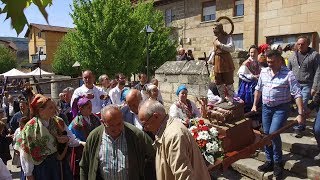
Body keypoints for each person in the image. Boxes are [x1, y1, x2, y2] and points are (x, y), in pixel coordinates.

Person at [251, 50, 305, 179]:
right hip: (266, 108)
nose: (269, 64)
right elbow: (258, 89)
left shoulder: (288, 74)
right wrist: (254, 105)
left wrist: (300, 113)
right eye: (268, 62)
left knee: (273, 133)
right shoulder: (264, 72)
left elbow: (297, 94)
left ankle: (277, 163)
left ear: (280, 61)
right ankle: (269, 161)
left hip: (281, 108)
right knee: (265, 133)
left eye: (272, 62)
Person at [138, 100, 211, 180]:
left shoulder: (173, 136)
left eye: (145, 124)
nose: (145, 129)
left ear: (156, 116)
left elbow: (184, 176)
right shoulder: (166, 130)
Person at [79, 105, 155, 180]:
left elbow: (153, 155)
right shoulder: (94, 137)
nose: (116, 128)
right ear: (103, 122)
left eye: (119, 124)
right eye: (111, 126)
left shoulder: (136, 135)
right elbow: (84, 165)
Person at [19, 94, 84, 180]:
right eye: (50, 107)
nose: (55, 109)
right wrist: (29, 174)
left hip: (58, 164)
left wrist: (69, 140)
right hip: (40, 169)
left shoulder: (58, 121)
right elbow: (25, 153)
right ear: (40, 110)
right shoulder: (30, 127)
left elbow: (71, 137)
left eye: (54, 106)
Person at [287, 36, 320, 137]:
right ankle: (301, 123)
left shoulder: (314, 55)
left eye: (302, 44)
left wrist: (315, 86)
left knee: (303, 104)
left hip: (307, 84)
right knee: (297, 105)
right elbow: (288, 71)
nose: (300, 46)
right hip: (294, 84)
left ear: (307, 44)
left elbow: (318, 72)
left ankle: (300, 126)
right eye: (298, 44)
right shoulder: (292, 55)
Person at [69, 97, 100, 180]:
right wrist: (81, 142)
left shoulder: (95, 118)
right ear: (81, 108)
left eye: (91, 106)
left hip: (95, 149)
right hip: (81, 152)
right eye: (88, 107)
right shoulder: (76, 123)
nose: (91, 109)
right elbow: (70, 138)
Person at [207, 22, 235, 105]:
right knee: (218, 81)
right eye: (213, 28)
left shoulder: (228, 37)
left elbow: (232, 48)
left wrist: (221, 45)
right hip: (217, 62)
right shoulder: (215, 40)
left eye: (215, 28)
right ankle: (222, 97)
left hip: (226, 61)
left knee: (229, 80)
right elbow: (214, 51)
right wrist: (210, 60)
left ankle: (230, 98)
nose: (213, 30)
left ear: (220, 29)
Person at [237, 45, 261, 112]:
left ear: (257, 53)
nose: (252, 54)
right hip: (247, 86)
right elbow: (241, 74)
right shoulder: (246, 63)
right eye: (251, 52)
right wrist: (252, 76)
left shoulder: (257, 62)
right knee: (248, 101)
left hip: (257, 84)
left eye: (254, 52)